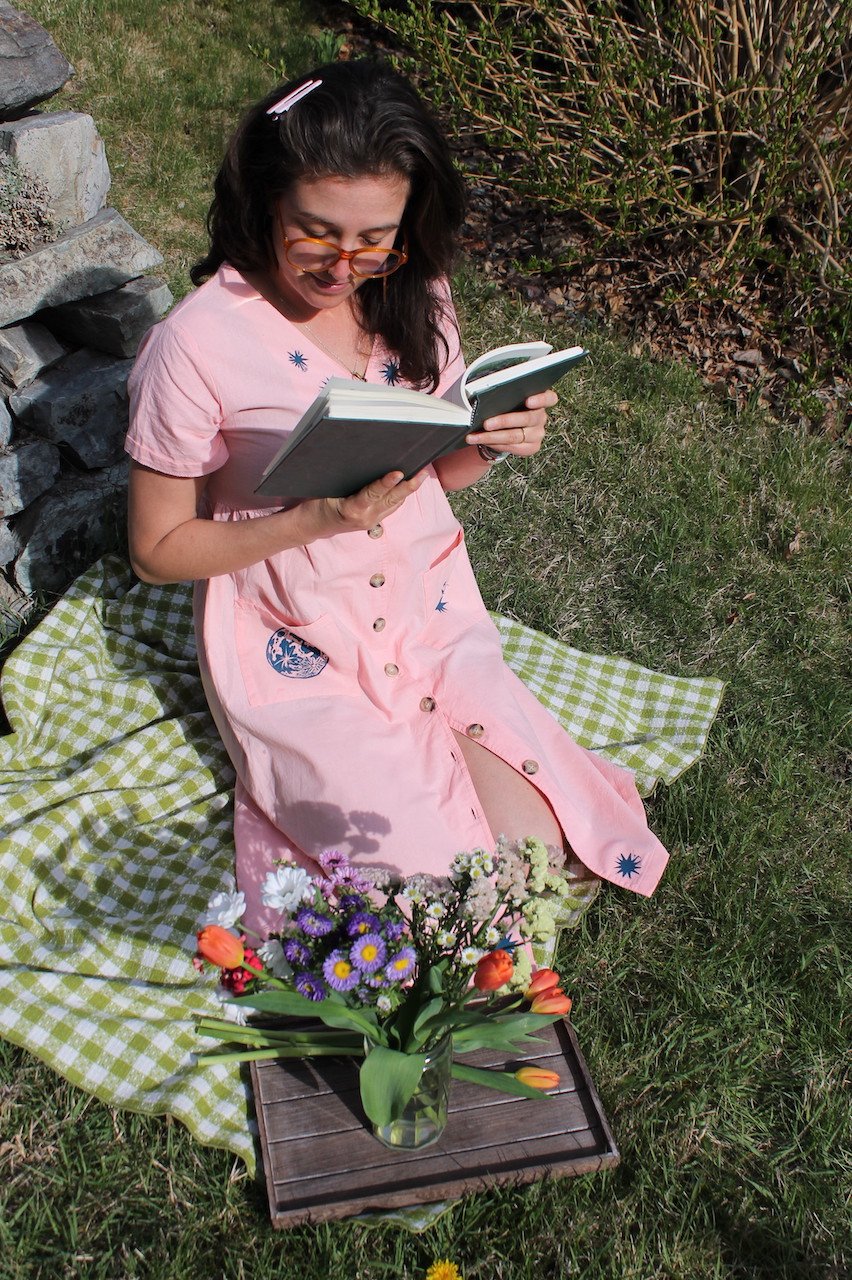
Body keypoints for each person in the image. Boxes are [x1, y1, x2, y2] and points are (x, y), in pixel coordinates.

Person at [125, 60, 669, 935]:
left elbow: (432, 474)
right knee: (443, 899)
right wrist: (313, 519)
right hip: (295, 637)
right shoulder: (193, 347)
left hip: (427, 609)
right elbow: (155, 549)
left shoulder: (417, 295)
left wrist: (488, 442)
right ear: (264, 200)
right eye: (316, 234)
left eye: (376, 237)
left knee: (545, 858)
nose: (346, 266)